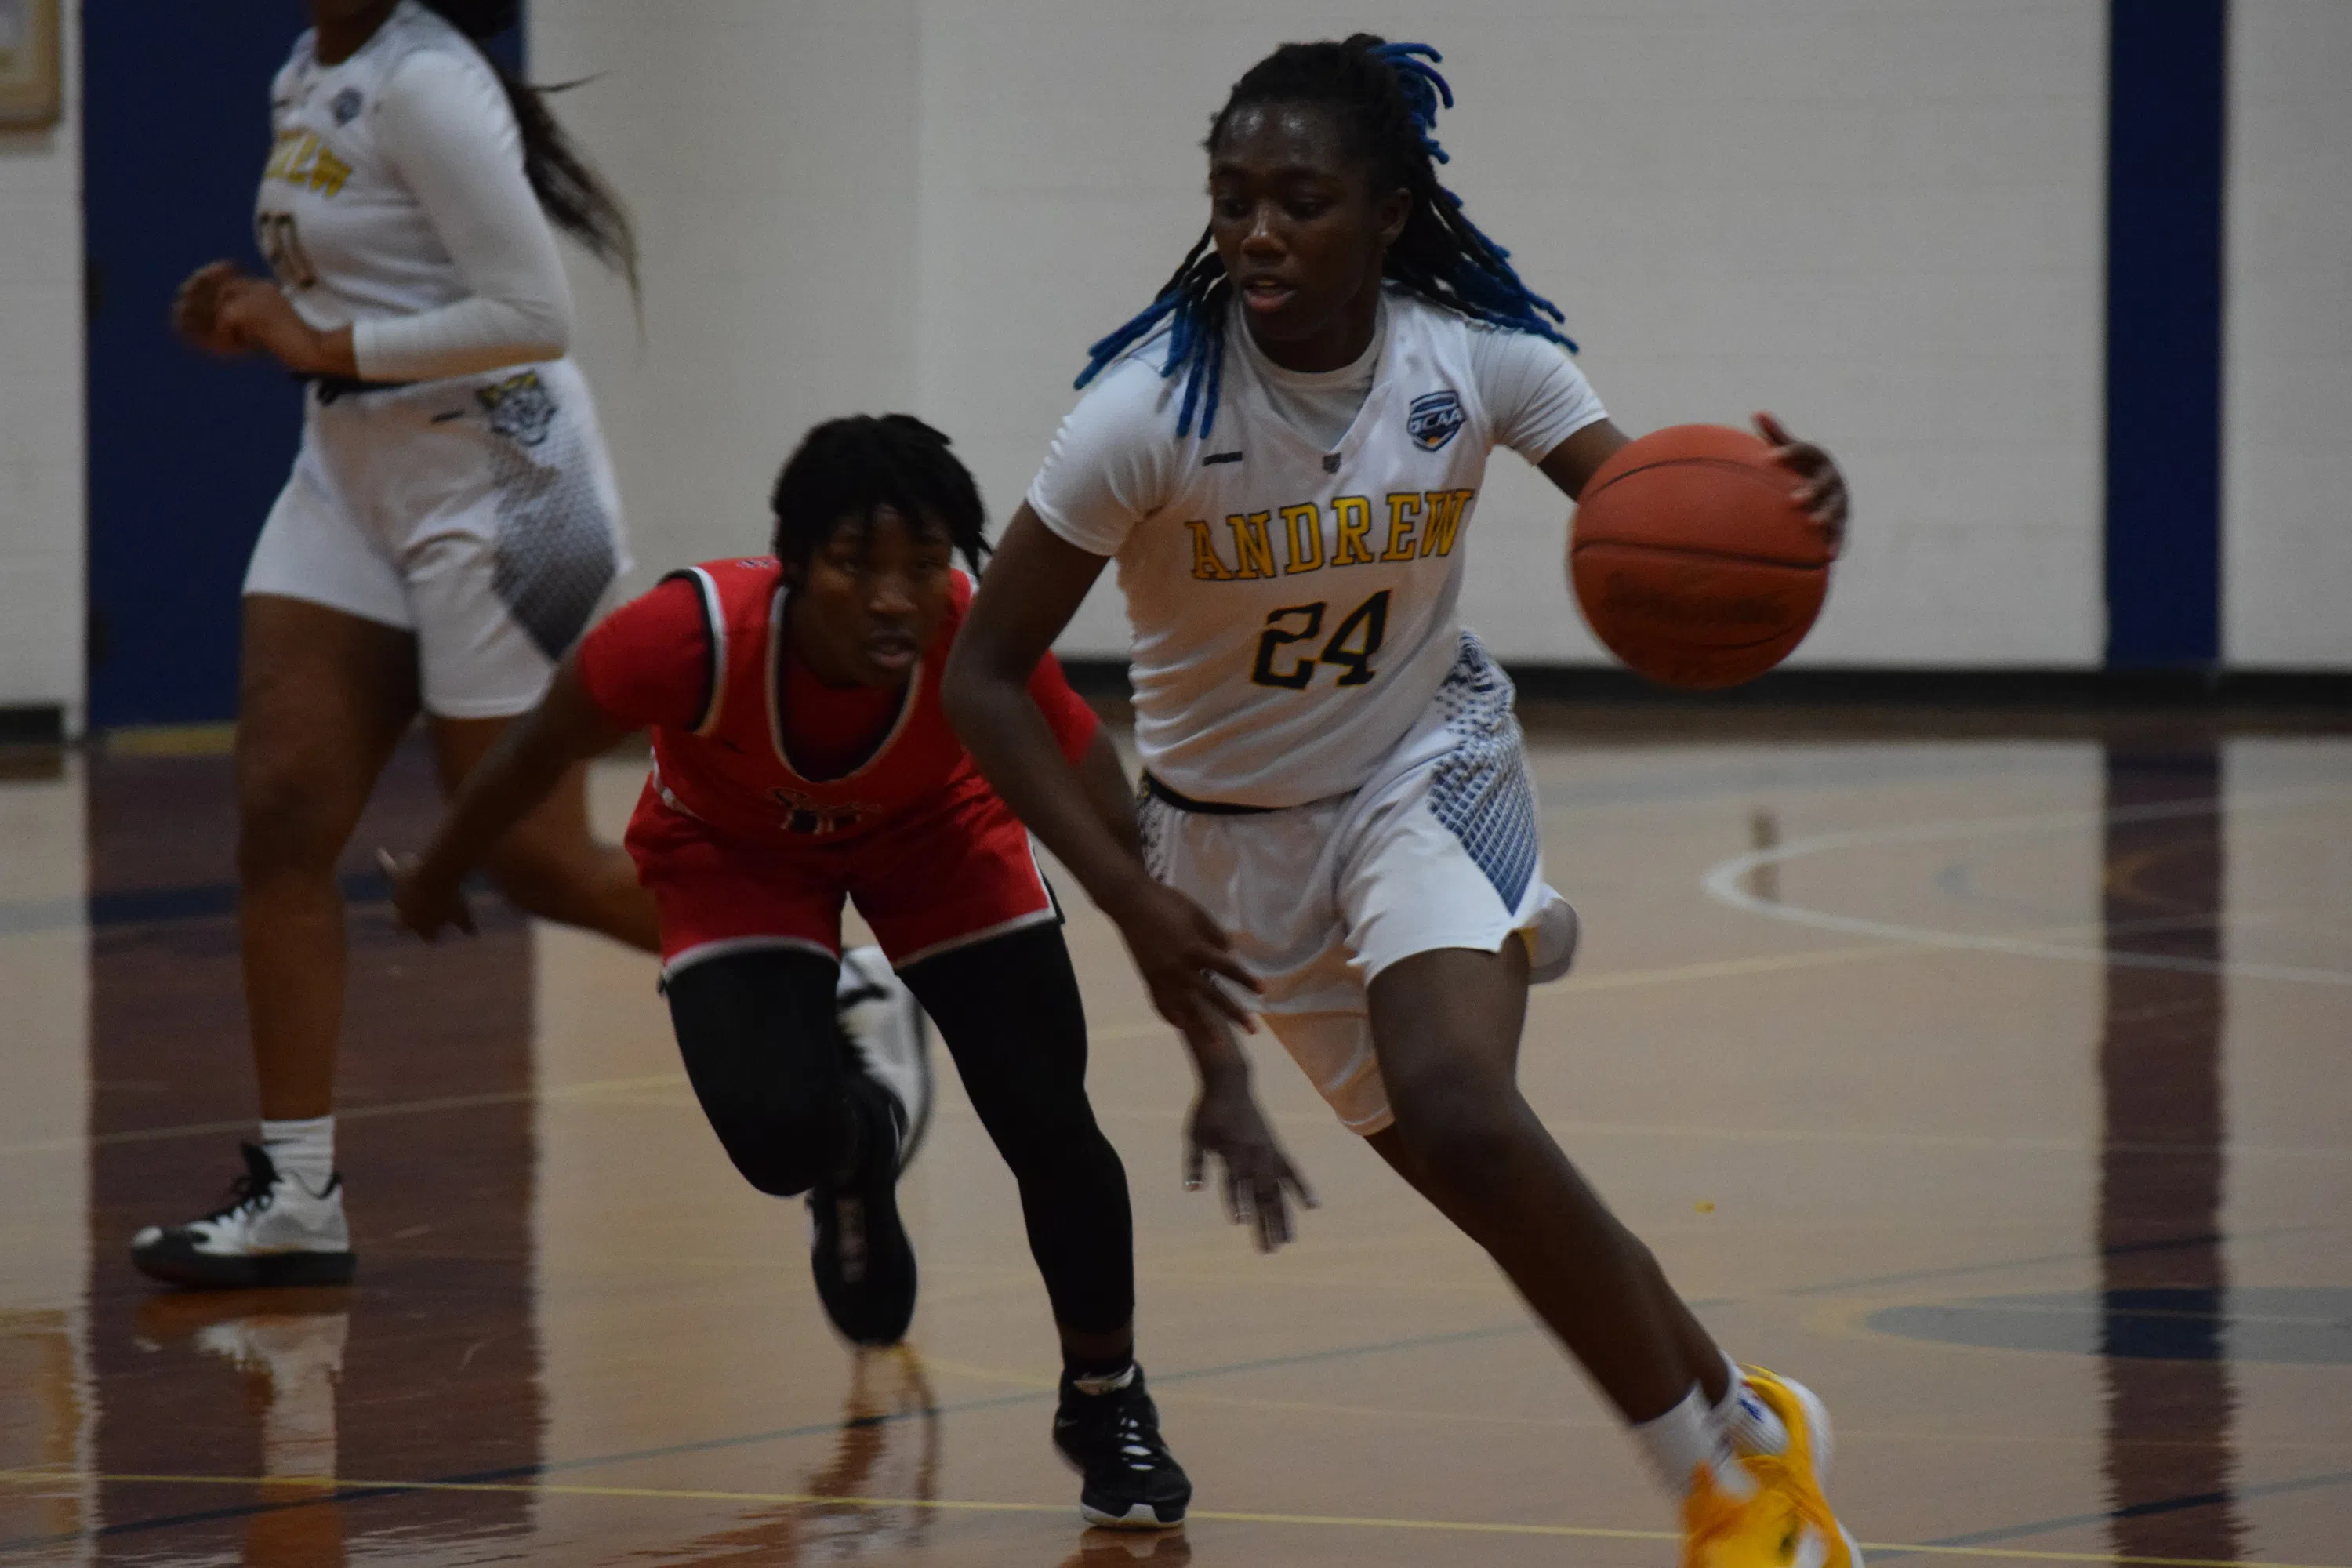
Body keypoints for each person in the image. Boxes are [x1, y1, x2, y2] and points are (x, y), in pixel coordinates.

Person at [942, 36, 1862, 1568]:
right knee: (1480, 1169)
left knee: (1464, 1109)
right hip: (1230, 851)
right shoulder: (1142, 413)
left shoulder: (1478, 359)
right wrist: (1132, 892)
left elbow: (1661, 515)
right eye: (1233, 198)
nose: (1257, 232)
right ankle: (1747, 1423)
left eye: (1300, 199)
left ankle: (1724, 1502)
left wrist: (1782, 514)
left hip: (1425, 765)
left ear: (1386, 211)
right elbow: (985, 676)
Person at [387, 415, 1290, 1531]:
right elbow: (533, 751)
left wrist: (1225, 1072)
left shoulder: (977, 643)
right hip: (735, 852)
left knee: (1049, 1117)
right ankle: (856, 1145)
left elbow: (1131, 862)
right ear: (796, 562)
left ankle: (1104, 1395)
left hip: (937, 838)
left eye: (924, 565)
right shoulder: (686, 637)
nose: (895, 597)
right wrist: (438, 872)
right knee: (776, 1139)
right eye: (857, 565)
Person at [132, 0, 657, 1291]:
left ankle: (849, 979)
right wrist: (262, 316)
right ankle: (297, 1195)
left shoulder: (427, 79)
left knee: (535, 858)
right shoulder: (308, 68)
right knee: (283, 809)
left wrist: (322, 338)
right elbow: (366, 279)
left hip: (517, 477)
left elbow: (534, 310)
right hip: (357, 468)